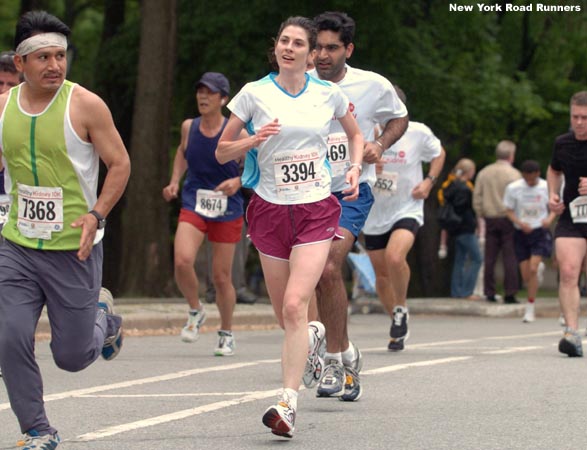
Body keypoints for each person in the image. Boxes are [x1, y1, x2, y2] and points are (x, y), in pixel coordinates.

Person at [216, 16, 363, 438]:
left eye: (299, 43)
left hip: (316, 207)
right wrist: (253, 140)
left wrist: (353, 168)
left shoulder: (328, 93)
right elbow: (224, 148)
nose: (290, 48)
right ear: (276, 47)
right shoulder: (253, 93)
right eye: (284, 40)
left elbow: (354, 135)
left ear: (311, 52)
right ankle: (316, 335)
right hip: (268, 209)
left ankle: (287, 403)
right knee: (287, 316)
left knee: (297, 305)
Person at [0, 10, 130, 449]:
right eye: (43, 58)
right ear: (20, 63)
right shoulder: (1, 108)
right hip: (17, 246)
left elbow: (120, 164)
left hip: (72, 247)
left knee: (71, 357)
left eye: (60, 55)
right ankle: (38, 429)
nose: (55, 65)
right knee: (9, 335)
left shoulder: (86, 105)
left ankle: (101, 318)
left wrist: (96, 215)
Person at [304, 11, 409, 400]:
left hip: (349, 192)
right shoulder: (298, 83)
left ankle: (332, 360)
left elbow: (400, 118)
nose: (323, 55)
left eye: (332, 48)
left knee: (329, 265)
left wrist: (378, 146)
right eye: (318, 47)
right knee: (315, 275)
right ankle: (346, 353)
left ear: (348, 49)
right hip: (304, 194)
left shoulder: (373, 85)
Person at [163, 72, 245, 356]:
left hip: (227, 206)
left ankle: (226, 332)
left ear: (223, 98)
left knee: (221, 277)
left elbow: (257, 167)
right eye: (200, 91)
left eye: (210, 93)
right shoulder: (189, 127)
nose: (203, 97)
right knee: (182, 259)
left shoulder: (236, 132)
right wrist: (175, 180)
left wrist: (238, 182)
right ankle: (196, 310)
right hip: (194, 201)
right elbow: (182, 153)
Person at [362, 86, 445, 351]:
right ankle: (398, 319)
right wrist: (367, 164)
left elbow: (439, 153)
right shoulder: (366, 131)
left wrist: (430, 182)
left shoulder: (417, 132)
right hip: (374, 212)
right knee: (381, 275)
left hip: (407, 207)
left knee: (395, 257)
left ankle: (400, 306)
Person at [547, 90, 587, 357]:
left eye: (585, 117)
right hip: (573, 216)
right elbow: (553, 169)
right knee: (569, 271)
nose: (580, 122)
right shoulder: (562, 143)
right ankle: (572, 333)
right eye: (575, 117)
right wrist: (552, 193)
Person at [504, 159, 555, 323]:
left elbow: (555, 207)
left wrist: (549, 219)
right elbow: (509, 210)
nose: (530, 182)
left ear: (538, 174)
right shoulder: (514, 188)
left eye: (532, 179)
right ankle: (535, 273)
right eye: (527, 179)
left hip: (539, 231)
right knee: (526, 275)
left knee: (532, 268)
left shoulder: (545, 187)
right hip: (521, 232)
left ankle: (530, 307)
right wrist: (519, 223)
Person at [473, 140, 522, 303]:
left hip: (490, 217)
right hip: (508, 218)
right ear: (511, 155)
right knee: (510, 256)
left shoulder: (484, 173)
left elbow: (477, 197)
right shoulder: (514, 175)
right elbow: (519, 198)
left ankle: (489, 291)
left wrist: (481, 213)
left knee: (490, 256)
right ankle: (510, 291)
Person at [438, 158, 483, 299]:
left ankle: (456, 292)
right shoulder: (465, 188)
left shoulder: (449, 185)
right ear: (469, 171)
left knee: (460, 259)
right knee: (477, 258)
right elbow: (466, 208)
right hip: (466, 228)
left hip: (454, 228)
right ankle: (467, 291)